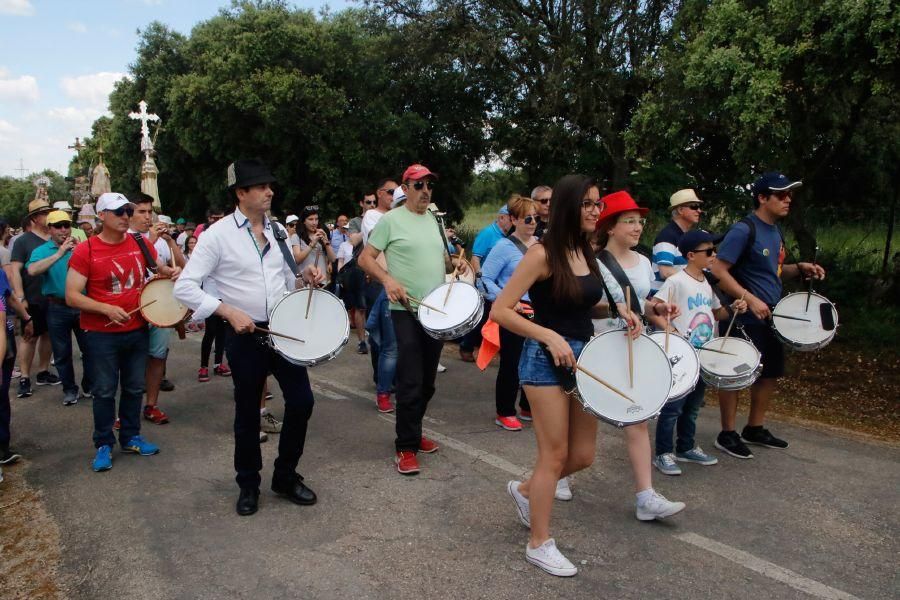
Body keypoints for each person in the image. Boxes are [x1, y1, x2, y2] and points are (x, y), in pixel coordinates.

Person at [490, 175, 645, 577]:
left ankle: (526, 492)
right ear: (567, 208)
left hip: (585, 358)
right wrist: (547, 335)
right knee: (554, 455)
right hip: (544, 361)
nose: (596, 210)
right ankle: (539, 543)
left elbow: (579, 306)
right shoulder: (542, 254)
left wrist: (618, 312)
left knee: (583, 456)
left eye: (598, 204)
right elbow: (502, 310)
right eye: (588, 204)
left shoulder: (585, 251)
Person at [174, 158, 324, 517]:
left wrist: (307, 278)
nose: (269, 191)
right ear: (241, 193)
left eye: (269, 185)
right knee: (247, 414)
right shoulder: (217, 236)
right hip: (244, 334)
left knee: (302, 402)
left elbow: (286, 279)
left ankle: (285, 477)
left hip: (281, 329)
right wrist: (226, 311)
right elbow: (184, 287)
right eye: (260, 186)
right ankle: (248, 484)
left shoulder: (276, 231)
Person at [359, 164, 469, 476]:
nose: (425, 191)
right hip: (404, 310)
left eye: (429, 186)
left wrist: (454, 266)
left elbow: (440, 259)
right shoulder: (391, 220)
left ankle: (414, 430)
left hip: (434, 311)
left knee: (429, 382)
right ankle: (405, 446)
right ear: (405, 188)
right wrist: (387, 280)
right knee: (410, 380)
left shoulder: (435, 220)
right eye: (418, 185)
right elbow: (364, 259)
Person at [710, 172, 825, 458]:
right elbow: (718, 270)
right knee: (736, 374)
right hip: (742, 313)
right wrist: (749, 298)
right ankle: (727, 433)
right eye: (781, 195)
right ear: (763, 198)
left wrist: (799, 268)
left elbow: (772, 270)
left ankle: (754, 427)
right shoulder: (743, 229)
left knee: (770, 372)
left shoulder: (775, 231)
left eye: (790, 195)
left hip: (772, 313)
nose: (788, 200)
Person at [591, 190, 685, 513]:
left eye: (639, 221)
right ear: (610, 227)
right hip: (602, 346)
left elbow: (641, 299)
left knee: (638, 417)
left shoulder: (644, 262)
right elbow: (588, 306)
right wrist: (617, 311)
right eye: (628, 221)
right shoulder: (596, 262)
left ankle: (646, 498)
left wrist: (659, 305)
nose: (637, 227)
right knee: (583, 418)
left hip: (636, 344)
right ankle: (560, 474)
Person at [65, 192, 173, 473]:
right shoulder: (85, 250)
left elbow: (156, 269)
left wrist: (169, 273)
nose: (125, 216)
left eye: (128, 211)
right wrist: (105, 309)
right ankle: (103, 443)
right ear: (101, 216)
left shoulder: (139, 242)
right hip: (100, 333)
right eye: (118, 212)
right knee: (104, 390)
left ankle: (130, 437)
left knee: (135, 387)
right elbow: (72, 296)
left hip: (136, 328)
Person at [652, 230, 748, 475]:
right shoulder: (676, 281)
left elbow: (717, 314)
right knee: (674, 406)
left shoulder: (707, 282)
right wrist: (671, 331)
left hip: (704, 353)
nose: (713, 255)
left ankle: (685, 446)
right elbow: (656, 310)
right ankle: (663, 452)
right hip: (683, 353)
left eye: (713, 251)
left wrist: (735, 308)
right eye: (708, 252)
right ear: (691, 255)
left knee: (693, 405)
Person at [128, 194, 186, 425]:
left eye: (149, 211)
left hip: (160, 306)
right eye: (141, 211)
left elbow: (183, 266)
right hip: (133, 308)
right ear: (128, 214)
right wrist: (150, 240)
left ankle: (151, 405)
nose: (148, 216)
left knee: (157, 357)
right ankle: (127, 411)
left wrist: (171, 242)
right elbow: (131, 266)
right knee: (131, 361)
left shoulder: (162, 241)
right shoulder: (124, 238)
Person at [25, 210, 93, 406]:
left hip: (82, 305)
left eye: (66, 225)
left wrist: (81, 252)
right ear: (50, 229)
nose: (63, 229)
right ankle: (70, 389)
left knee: (90, 349)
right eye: (58, 226)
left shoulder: (82, 247)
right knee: (62, 352)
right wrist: (60, 253)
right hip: (57, 307)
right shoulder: (42, 250)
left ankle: (89, 385)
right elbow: (32, 270)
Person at [480, 195, 536, 430]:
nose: (533, 222)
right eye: (527, 218)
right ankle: (504, 410)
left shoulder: (540, 244)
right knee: (512, 362)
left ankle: (528, 406)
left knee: (534, 360)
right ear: (513, 219)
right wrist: (506, 299)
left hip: (537, 310)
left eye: (535, 217)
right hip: (514, 311)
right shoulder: (503, 246)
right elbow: (485, 279)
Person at [10, 198, 60, 398]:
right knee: (29, 336)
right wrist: (20, 297)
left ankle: (43, 371)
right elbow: (15, 271)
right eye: (45, 212)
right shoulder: (23, 241)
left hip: (52, 297)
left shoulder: (55, 238)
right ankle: (24, 376)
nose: (49, 215)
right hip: (32, 298)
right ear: (35, 218)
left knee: (48, 335)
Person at [361, 179, 401, 413]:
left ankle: (393, 382)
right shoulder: (375, 217)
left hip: (404, 285)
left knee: (398, 343)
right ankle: (382, 384)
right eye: (390, 193)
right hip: (381, 280)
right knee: (388, 344)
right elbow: (373, 252)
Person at [460, 204, 513, 362]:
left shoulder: (507, 237)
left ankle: (492, 350)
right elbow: (475, 258)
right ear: (501, 217)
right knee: (482, 317)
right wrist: (480, 279)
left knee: (494, 318)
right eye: (510, 219)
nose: (512, 222)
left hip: (499, 285)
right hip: (485, 283)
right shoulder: (488, 233)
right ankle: (466, 347)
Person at [651, 189, 704, 294]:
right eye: (694, 206)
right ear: (680, 210)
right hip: (664, 301)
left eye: (699, 207)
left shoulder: (683, 235)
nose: (699, 211)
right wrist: (697, 281)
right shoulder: (667, 236)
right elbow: (665, 272)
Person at [0, 267, 22, 468]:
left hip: (3, 346)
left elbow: (10, 297)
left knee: (1, 396)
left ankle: (3, 447)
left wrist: (26, 317)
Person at [292, 205, 336, 287]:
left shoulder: (321, 235)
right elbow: (297, 259)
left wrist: (326, 242)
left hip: (322, 283)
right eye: (310, 219)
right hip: (306, 283)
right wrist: (312, 244)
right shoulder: (296, 237)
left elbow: (333, 259)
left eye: (316, 219)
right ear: (304, 221)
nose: (314, 222)